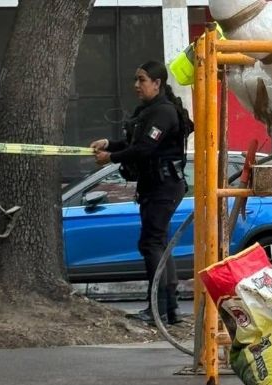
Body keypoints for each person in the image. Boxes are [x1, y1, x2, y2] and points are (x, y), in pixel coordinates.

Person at [90, 60, 192, 325]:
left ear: (157, 83)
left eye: (142, 80)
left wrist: (111, 156)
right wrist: (109, 143)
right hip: (155, 185)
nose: (136, 85)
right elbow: (135, 143)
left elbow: (145, 148)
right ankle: (169, 309)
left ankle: (156, 309)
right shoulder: (149, 110)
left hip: (164, 185)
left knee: (151, 243)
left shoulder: (163, 112)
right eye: (136, 79)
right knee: (156, 242)